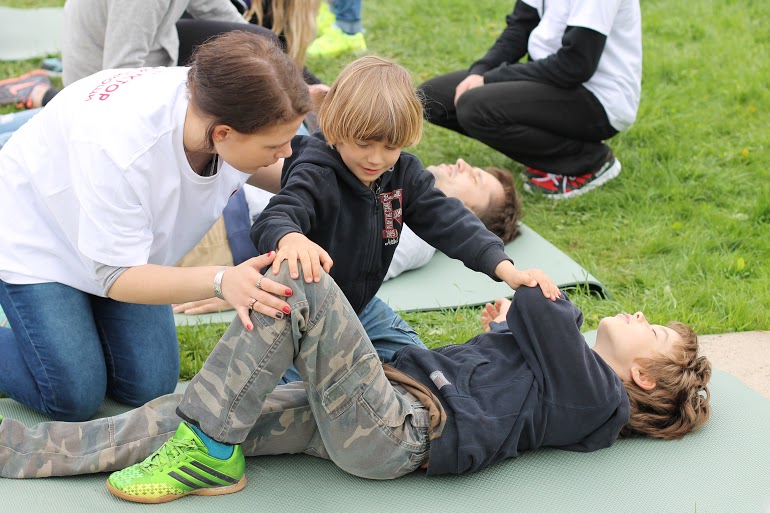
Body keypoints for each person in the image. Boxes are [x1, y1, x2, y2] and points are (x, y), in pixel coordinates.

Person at [0, 259, 711, 507]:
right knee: (190, 408)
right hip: (370, 408)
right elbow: (516, 363)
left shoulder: (601, 397)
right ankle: (20, 451)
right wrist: (507, 331)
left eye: (653, 329)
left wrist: (540, 301)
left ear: (641, 375)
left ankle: (206, 450)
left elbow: (543, 307)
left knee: (303, 283)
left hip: (395, 426)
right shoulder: (573, 385)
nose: (640, 314)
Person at [0, 32, 313, 422]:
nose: (286, 153)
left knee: (147, 386)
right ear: (222, 135)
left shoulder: (221, 102)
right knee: (73, 396)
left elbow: (287, 172)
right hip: (39, 236)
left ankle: (78, 324)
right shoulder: (121, 150)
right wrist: (222, 280)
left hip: (119, 245)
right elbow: (116, 276)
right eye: (275, 147)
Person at [250, 55, 554, 331]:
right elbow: (276, 216)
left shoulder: (403, 174)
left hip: (361, 309)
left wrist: (506, 270)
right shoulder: (317, 172)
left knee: (420, 366)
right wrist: (290, 238)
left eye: (391, 147)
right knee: (295, 390)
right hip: (298, 316)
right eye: (364, 144)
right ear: (335, 127)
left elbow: (450, 220)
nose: (376, 159)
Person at [173, 157, 522, 315]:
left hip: (226, 229)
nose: (462, 163)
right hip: (235, 197)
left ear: (472, 214)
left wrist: (250, 285)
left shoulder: (411, 233)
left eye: (474, 179)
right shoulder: (387, 169)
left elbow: (341, 270)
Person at [419, 0, 642, 199]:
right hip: (549, 78)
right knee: (433, 98)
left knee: (474, 107)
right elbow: (520, 27)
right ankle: (548, 151)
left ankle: (590, 162)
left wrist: (490, 79)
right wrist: (481, 70)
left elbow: (575, 65)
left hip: (599, 98)